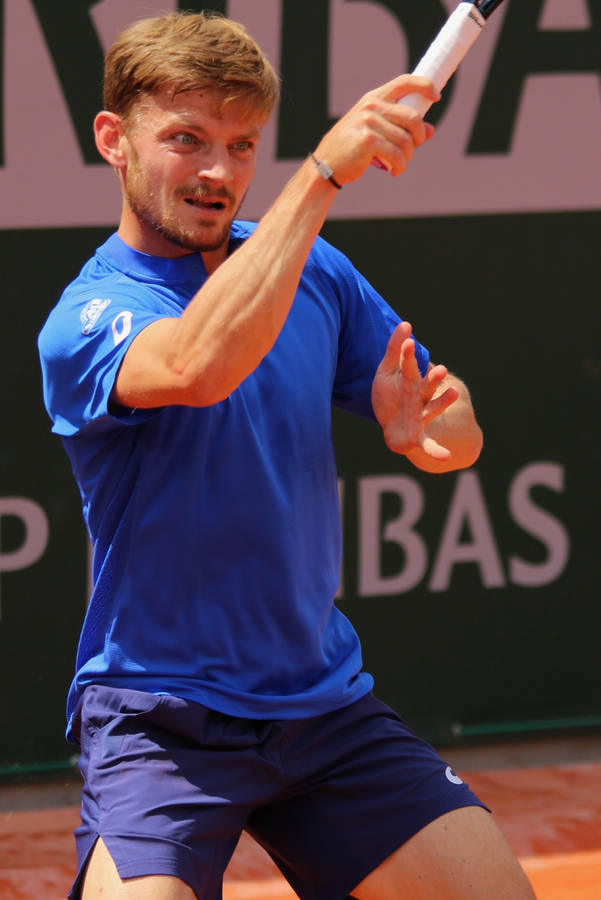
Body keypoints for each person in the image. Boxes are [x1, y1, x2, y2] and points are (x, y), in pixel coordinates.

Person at [38, 11, 536, 900]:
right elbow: (196, 362)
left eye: (242, 144)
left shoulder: (316, 272)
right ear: (114, 140)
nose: (218, 172)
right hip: (161, 719)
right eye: (186, 140)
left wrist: (429, 430)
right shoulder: (87, 316)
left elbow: (454, 428)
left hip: (322, 706)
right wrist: (325, 172)